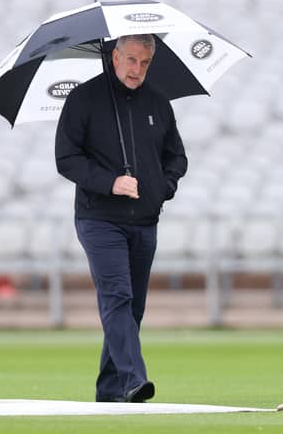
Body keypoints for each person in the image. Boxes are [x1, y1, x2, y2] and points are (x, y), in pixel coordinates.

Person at [55, 34, 188, 403]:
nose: (137, 69)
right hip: (99, 219)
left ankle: (109, 392)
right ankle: (133, 380)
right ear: (115, 57)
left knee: (133, 308)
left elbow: (177, 158)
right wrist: (110, 182)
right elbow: (66, 158)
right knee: (118, 297)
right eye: (131, 60)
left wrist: (163, 187)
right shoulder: (83, 99)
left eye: (144, 62)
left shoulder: (158, 103)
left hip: (145, 221)